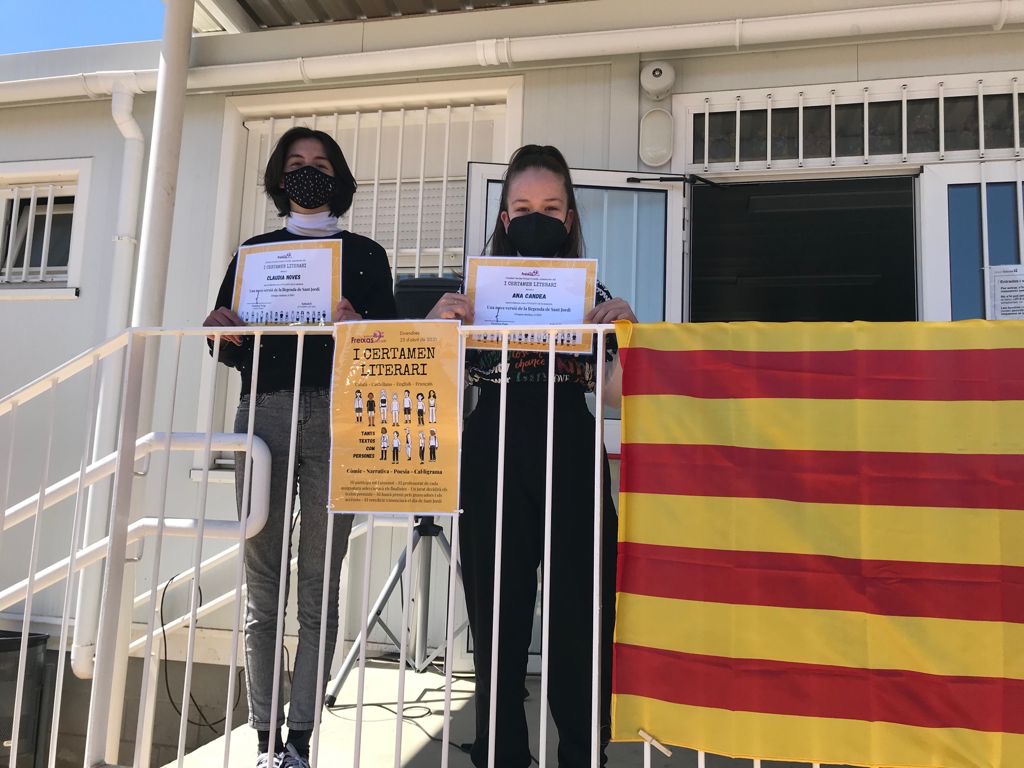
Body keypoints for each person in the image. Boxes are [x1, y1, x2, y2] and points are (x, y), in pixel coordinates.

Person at [427, 144, 635, 768]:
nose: (536, 218)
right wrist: (435, 331)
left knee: (581, 616)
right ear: (504, 218)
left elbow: (617, 395)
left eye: (550, 207)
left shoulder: (593, 291)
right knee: (496, 619)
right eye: (522, 208)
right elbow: (433, 387)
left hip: (570, 446)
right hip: (491, 447)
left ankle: (582, 753)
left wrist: (626, 336)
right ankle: (502, 753)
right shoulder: (471, 293)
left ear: (569, 217)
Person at [204, 126, 397, 768]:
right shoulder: (254, 252)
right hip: (262, 411)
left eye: (320, 163)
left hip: (339, 415)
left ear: (338, 178)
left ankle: (299, 742)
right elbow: (225, 341)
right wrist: (219, 329)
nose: (308, 172)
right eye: (296, 162)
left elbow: (392, 345)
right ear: (279, 177)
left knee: (319, 583)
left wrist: (361, 328)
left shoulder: (365, 255)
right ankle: (263, 737)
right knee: (262, 584)